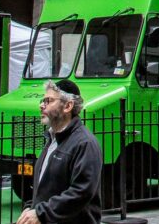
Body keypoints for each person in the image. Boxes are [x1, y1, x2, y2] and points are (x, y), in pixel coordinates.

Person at [16, 79, 102, 224]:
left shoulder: (85, 143)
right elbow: (44, 187)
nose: (41, 105)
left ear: (68, 106)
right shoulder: (52, 139)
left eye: (48, 101)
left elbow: (81, 192)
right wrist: (30, 207)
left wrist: (41, 213)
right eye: (43, 100)